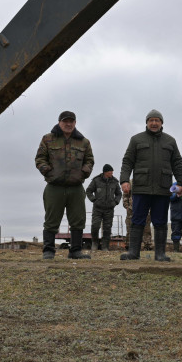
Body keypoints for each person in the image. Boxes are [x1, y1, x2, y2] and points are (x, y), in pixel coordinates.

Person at [120, 109, 182, 261]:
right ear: (147, 122)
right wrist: (124, 180)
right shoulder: (136, 140)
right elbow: (127, 161)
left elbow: (177, 163)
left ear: (161, 123)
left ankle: (160, 254)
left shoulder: (170, 141)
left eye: (157, 120)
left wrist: (181, 183)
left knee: (160, 222)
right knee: (137, 220)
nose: (154, 123)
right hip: (141, 187)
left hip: (162, 188)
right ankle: (133, 253)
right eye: (151, 120)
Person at [35, 111, 94, 260]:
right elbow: (40, 158)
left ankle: (75, 251)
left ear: (75, 123)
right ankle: (48, 251)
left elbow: (89, 160)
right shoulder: (48, 139)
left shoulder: (84, 142)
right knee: (51, 219)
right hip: (54, 187)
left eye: (71, 121)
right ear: (59, 122)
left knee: (78, 219)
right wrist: (47, 171)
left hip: (76, 187)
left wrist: (84, 172)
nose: (68, 124)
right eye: (65, 121)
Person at [86, 164, 122, 251]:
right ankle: (95, 243)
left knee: (107, 228)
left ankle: (105, 246)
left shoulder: (115, 182)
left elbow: (119, 193)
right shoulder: (96, 180)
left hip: (109, 209)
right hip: (97, 208)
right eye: (110, 171)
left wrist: (115, 202)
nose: (112, 173)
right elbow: (89, 191)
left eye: (112, 171)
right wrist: (94, 200)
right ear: (105, 172)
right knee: (95, 226)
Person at [122, 183, 153, 251]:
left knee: (146, 228)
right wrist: (127, 206)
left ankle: (147, 245)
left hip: (145, 208)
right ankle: (129, 245)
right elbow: (125, 194)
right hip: (132, 209)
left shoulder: (149, 182)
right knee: (130, 227)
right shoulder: (131, 183)